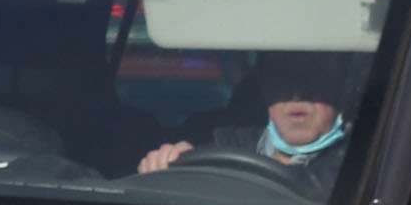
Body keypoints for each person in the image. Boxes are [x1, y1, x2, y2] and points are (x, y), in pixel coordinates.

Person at [140, 51, 356, 176]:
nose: (297, 93)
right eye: (282, 75)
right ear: (263, 85)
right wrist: (162, 168)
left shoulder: (364, 173)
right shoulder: (214, 145)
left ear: (341, 87)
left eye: (313, 75)